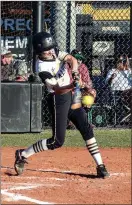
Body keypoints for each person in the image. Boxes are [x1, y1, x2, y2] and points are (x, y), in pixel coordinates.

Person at [14, 31, 109, 178]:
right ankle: (23, 154)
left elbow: (71, 59)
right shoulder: (41, 68)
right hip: (58, 99)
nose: (52, 51)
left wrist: (76, 72)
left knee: (86, 128)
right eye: (48, 49)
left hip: (71, 96)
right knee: (56, 141)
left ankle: (100, 165)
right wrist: (74, 85)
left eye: (52, 48)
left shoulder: (54, 52)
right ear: (40, 51)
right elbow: (57, 88)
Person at [105, 54, 132, 125]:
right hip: (117, 92)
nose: (120, 63)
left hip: (129, 92)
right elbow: (107, 83)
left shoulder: (129, 72)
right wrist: (112, 78)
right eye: (119, 61)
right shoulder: (112, 71)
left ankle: (127, 114)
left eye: (123, 61)